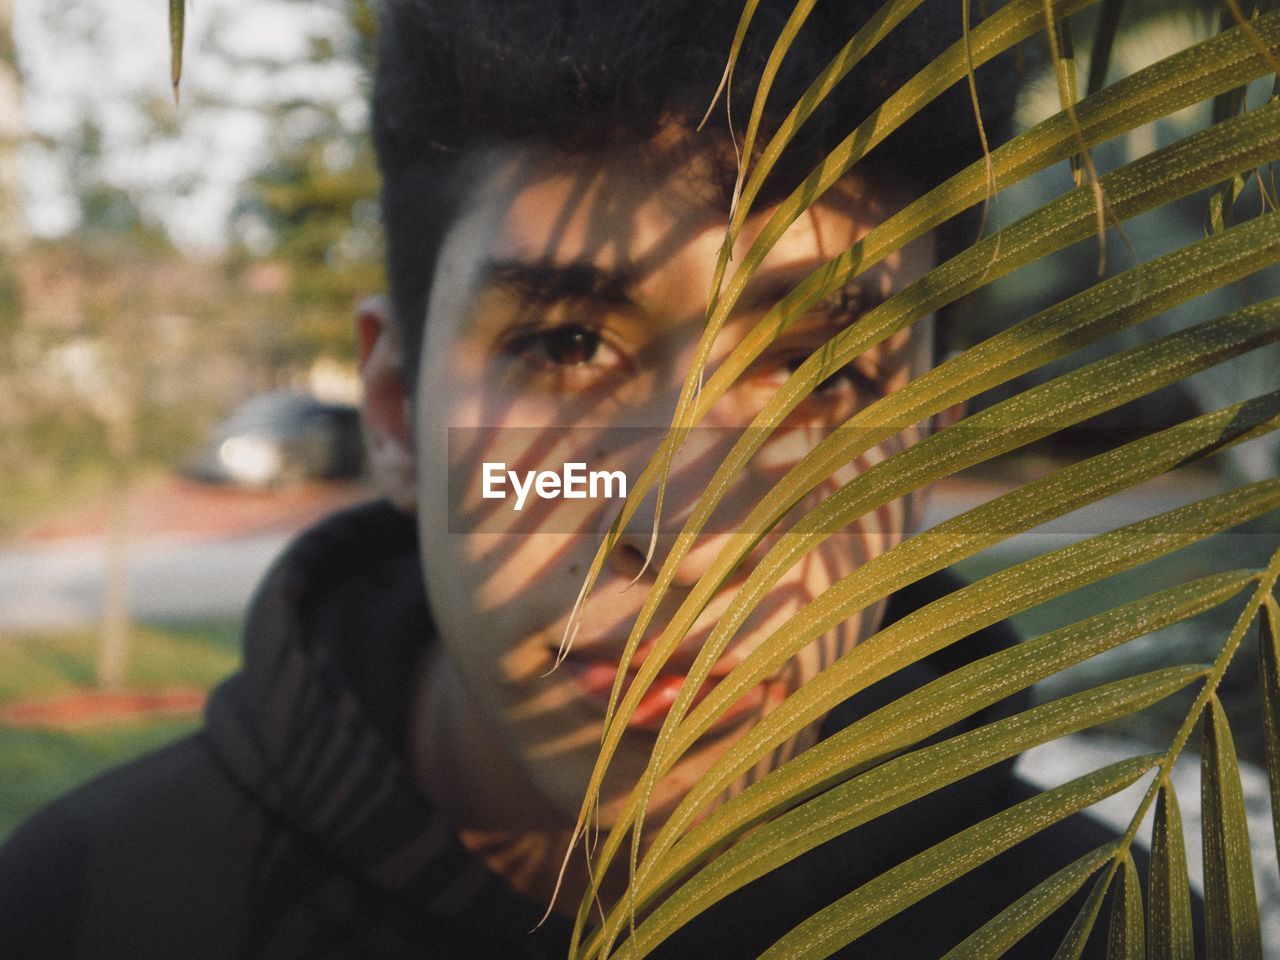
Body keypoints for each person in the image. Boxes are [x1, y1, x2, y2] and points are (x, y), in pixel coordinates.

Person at [0, 1, 1134, 956]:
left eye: (812, 372)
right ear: (396, 412)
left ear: (930, 436)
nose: (688, 533)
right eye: (566, 348)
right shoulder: (88, 911)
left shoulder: (1099, 928)